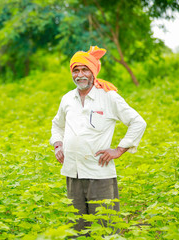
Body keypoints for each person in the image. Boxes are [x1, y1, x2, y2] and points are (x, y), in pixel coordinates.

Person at [49, 46, 146, 233]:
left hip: (99, 174)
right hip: (73, 173)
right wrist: (58, 144)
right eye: (76, 70)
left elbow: (138, 122)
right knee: (76, 228)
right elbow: (57, 124)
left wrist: (119, 149)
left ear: (93, 71)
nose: (80, 75)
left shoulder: (109, 97)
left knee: (106, 228)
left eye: (85, 69)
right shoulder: (67, 99)